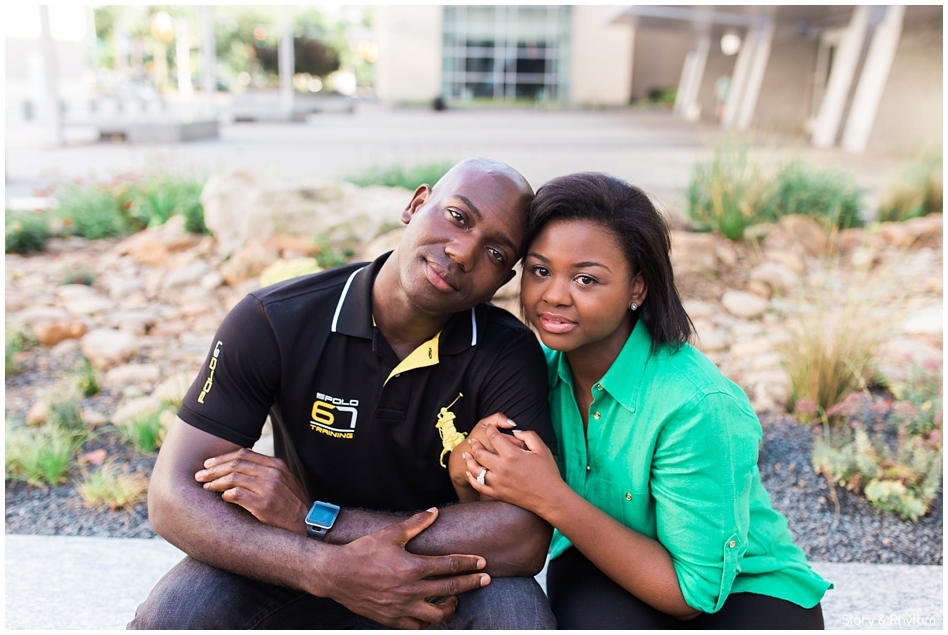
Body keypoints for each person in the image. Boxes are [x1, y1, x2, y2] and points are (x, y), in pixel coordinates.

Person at [129, 158, 558, 630]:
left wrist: (314, 519)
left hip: (433, 575)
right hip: (297, 565)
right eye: (457, 216)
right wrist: (327, 568)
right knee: (176, 614)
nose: (462, 252)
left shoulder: (508, 352)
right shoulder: (274, 320)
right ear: (415, 205)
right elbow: (173, 496)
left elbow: (522, 536)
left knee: (517, 617)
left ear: (504, 280)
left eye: (497, 253)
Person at [461, 172, 832, 629]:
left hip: (741, 589)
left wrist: (552, 497)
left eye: (586, 279)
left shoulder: (696, 405)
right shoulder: (532, 371)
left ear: (637, 288)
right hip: (600, 560)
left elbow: (693, 592)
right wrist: (471, 461)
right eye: (540, 270)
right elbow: (490, 505)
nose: (554, 296)